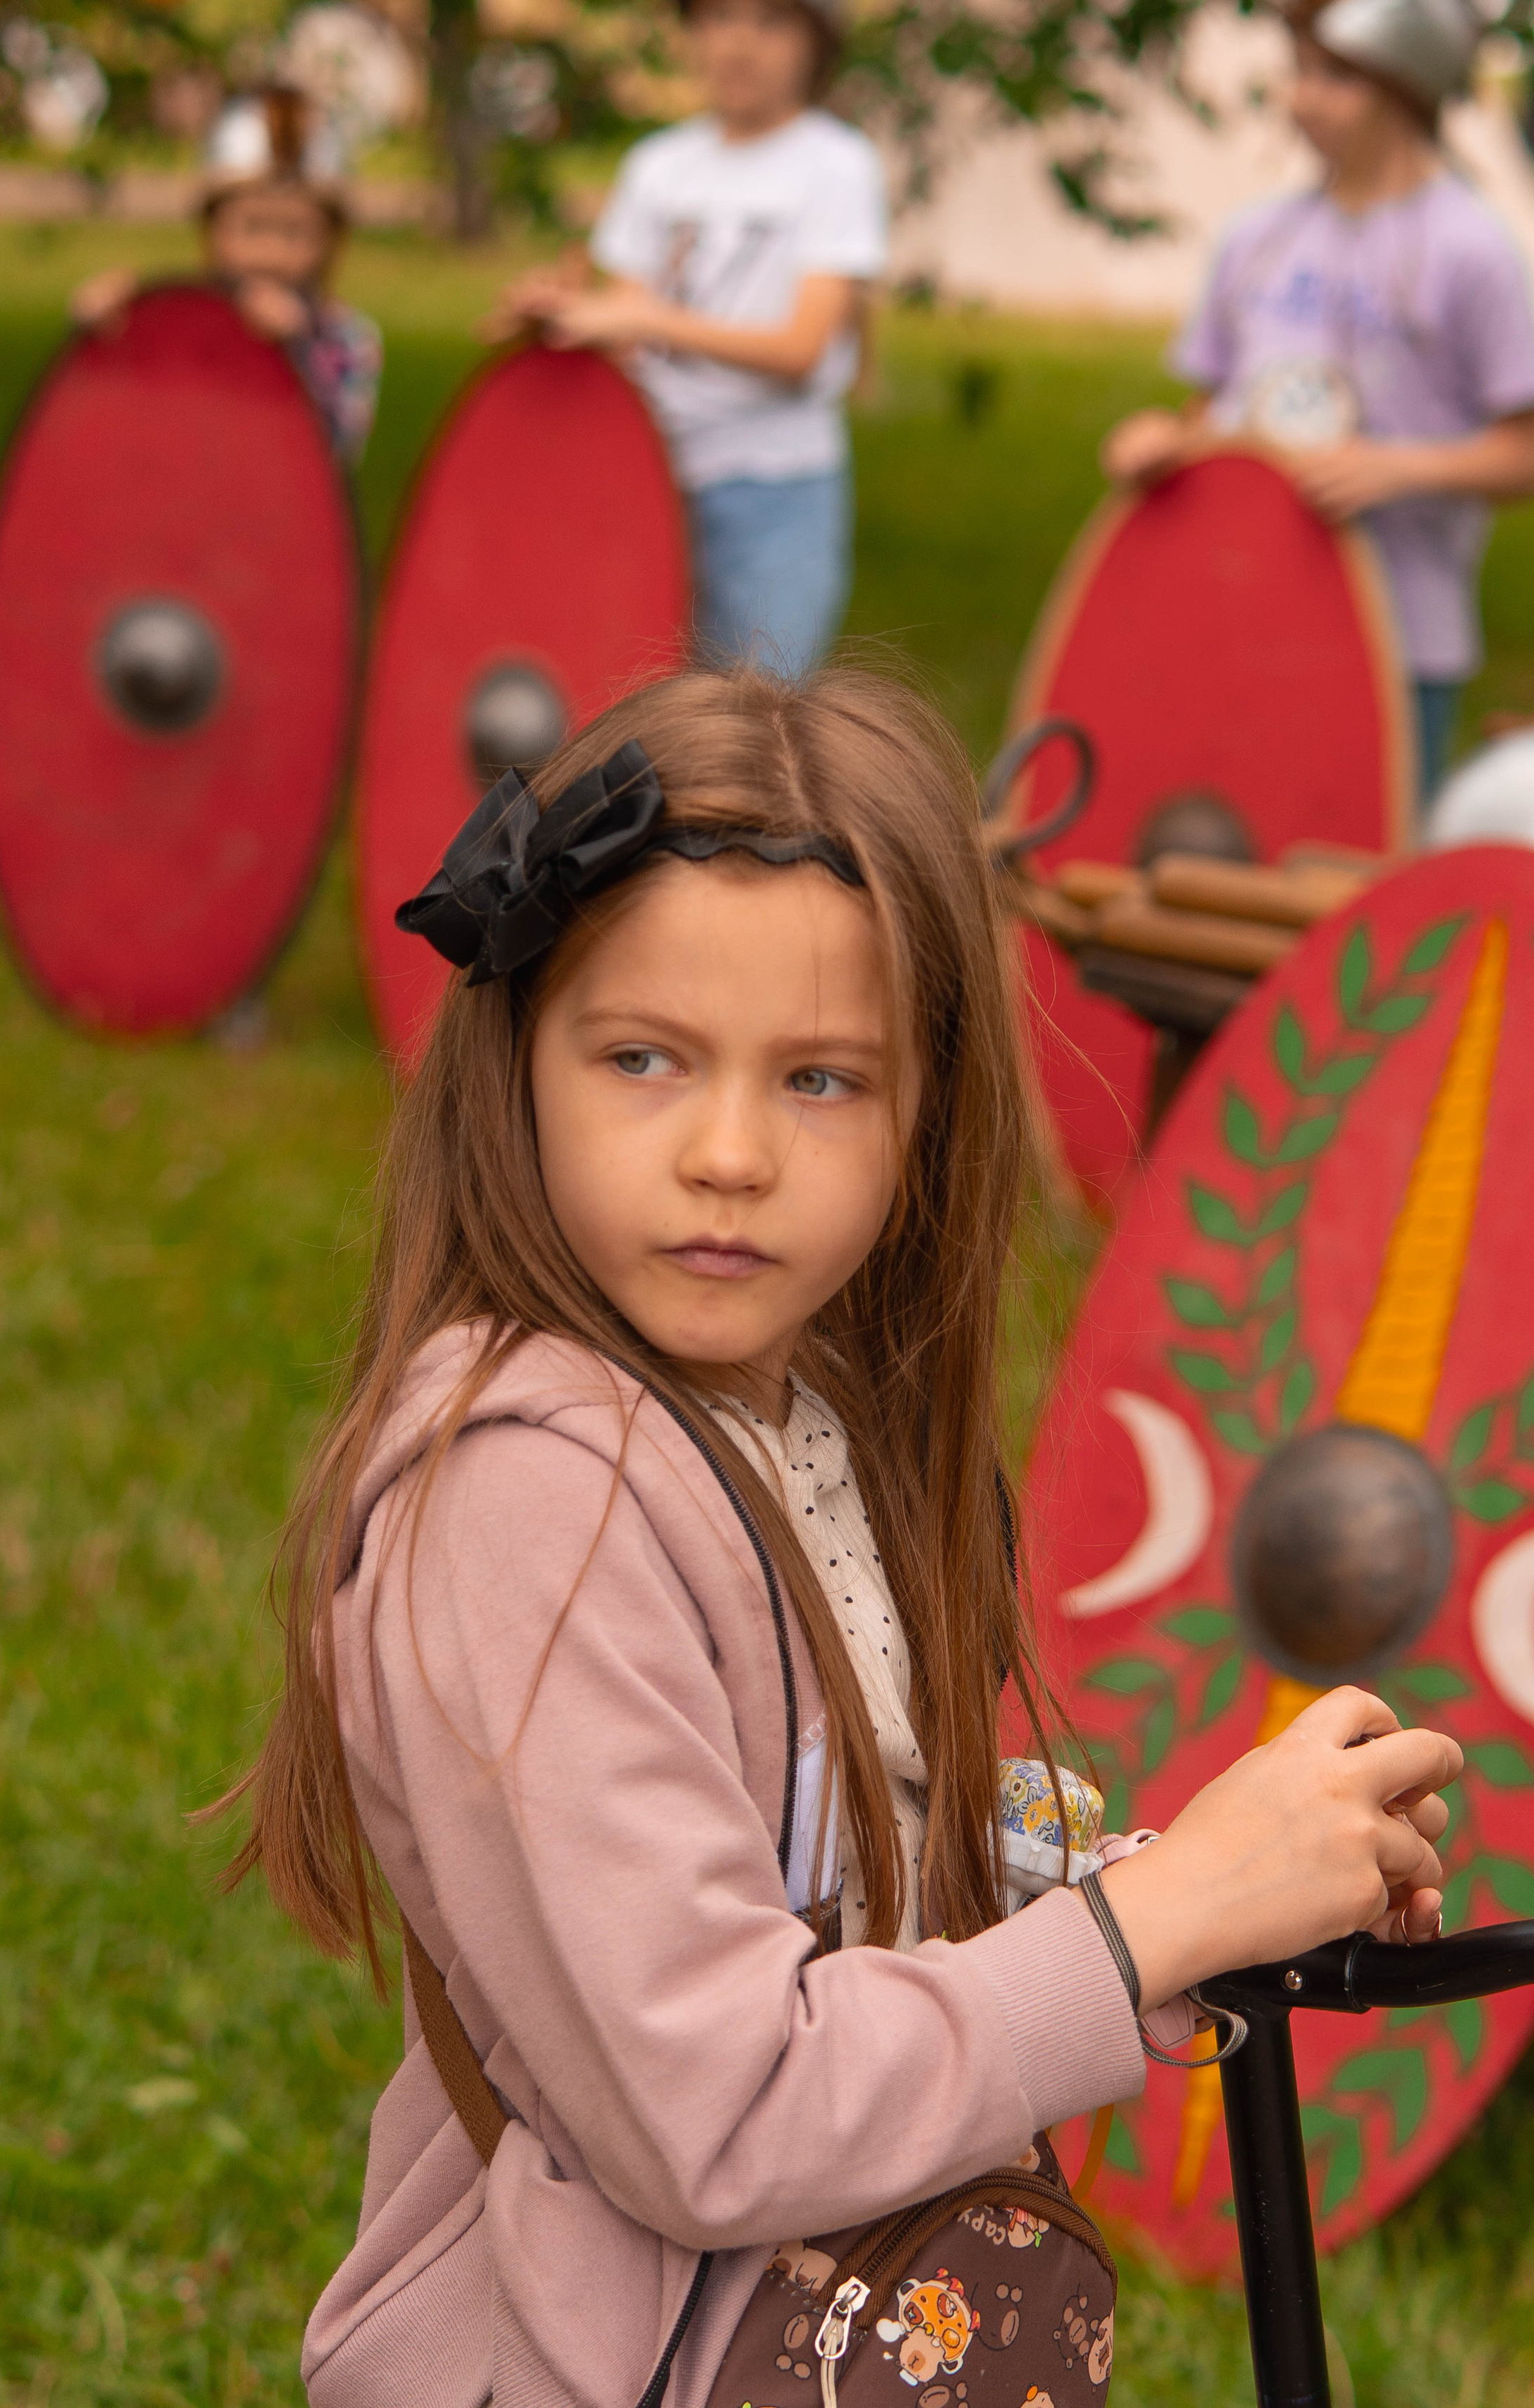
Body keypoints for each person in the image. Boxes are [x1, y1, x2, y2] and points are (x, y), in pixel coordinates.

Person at [217, 662, 1460, 2408]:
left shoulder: (790, 1418)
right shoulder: (524, 1498)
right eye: (642, 1056)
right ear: (514, 1065)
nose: (727, 1152)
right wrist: (1145, 1926)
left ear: (923, 1115)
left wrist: (1196, 1900)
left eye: (818, 1079)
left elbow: (834, 1920)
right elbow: (715, 2111)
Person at [1101, 0, 1534, 804]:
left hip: (1397, 637)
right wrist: (1163, 440)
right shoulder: (1255, 237)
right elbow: (1206, 412)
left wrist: (1398, 469)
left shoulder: (1471, 249)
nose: (1302, 99)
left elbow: (1523, 449)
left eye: (1335, 77)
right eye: (1298, 72)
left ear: (1407, 84)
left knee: (1352, 876)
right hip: (1238, 618)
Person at [500, 0, 887, 677]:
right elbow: (622, 332)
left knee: (757, 721)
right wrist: (563, 317)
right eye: (720, 18)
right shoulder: (659, 166)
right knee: (640, 712)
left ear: (816, 42)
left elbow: (801, 352)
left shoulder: (836, 165)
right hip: (651, 475)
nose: (741, 42)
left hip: (774, 488)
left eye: (771, 22)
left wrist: (646, 318)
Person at [71, 87, 381, 469]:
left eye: (296, 233)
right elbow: (127, 431)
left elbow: (332, 459)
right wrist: (116, 333)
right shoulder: (186, 326)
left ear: (330, 240)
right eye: (253, 228)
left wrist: (294, 353)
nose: (272, 253)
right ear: (213, 230)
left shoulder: (347, 339)